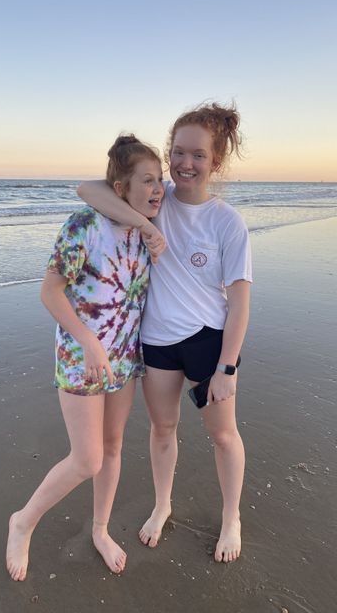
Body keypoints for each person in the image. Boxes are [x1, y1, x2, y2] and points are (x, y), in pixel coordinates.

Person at [78, 102, 252, 563]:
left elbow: (239, 303)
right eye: (178, 152)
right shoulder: (156, 198)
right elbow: (87, 189)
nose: (185, 163)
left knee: (223, 436)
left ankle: (231, 518)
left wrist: (227, 367)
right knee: (162, 429)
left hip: (207, 340)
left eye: (198, 154)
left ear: (215, 161)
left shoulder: (227, 222)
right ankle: (162, 505)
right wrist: (145, 225)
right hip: (156, 341)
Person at [6, 135, 164, 580]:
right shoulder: (84, 225)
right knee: (87, 459)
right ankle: (23, 521)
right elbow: (50, 292)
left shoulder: (145, 228)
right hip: (82, 357)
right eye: (147, 180)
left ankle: (100, 530)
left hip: (124, 357)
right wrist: (88, 340)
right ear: (121, 187)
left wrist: (147, 222)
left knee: (113, 448)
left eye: (160, 179)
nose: (158, 189)